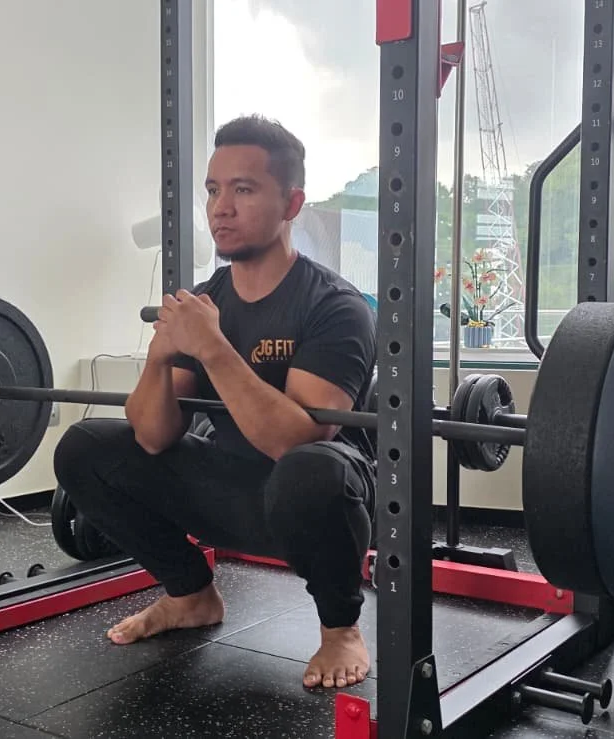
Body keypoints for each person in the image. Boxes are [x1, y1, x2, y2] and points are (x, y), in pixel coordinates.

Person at [53, 115, 378, 689]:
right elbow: (153, 436)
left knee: (312, 470)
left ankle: (340, 629)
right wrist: (160, 357)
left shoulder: (335, 306)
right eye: (213, 190)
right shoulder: (206, 301)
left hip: (316, 501)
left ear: (291, 203)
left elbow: (294, 441)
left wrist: (213, 347)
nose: (220, 208)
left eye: (243, 190)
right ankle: (191, 595)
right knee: (84, 448)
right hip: (229, 486)